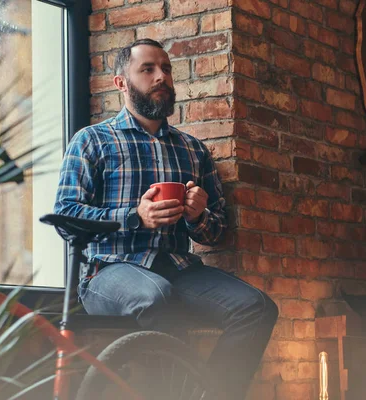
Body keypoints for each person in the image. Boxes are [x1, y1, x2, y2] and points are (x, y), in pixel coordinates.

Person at [53, 38, 278, 399]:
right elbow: (66, 216)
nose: (162, 77)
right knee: (157, 296)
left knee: (257, 308)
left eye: (167, 69)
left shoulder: (192, 149)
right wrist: (135, 217)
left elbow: (217, 232)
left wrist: (197, 215)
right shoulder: (92, 141)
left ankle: (206, 395)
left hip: (176, 267)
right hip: (109, 270)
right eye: (148, 69)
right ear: (121, 83)